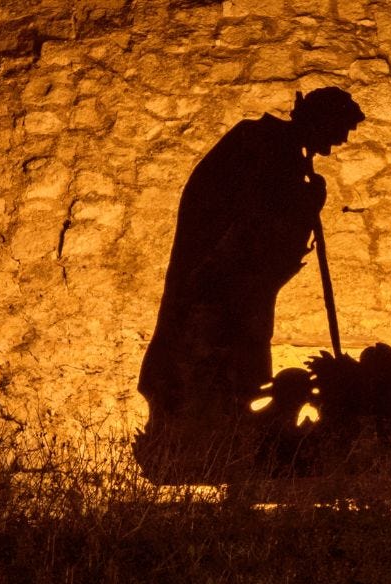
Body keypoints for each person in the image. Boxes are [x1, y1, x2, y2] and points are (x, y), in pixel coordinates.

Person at [136, 88, 365, 483]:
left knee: (239, 369)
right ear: (318, 119)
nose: (338, 144)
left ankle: (231, 449)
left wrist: (303, 206)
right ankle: (204, 451)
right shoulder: (260, 145)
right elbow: (247, 222)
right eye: (339, 130)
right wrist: (302, 206)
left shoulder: (282, 152)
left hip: (244, 289)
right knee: (216, 367)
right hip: (219, 290)